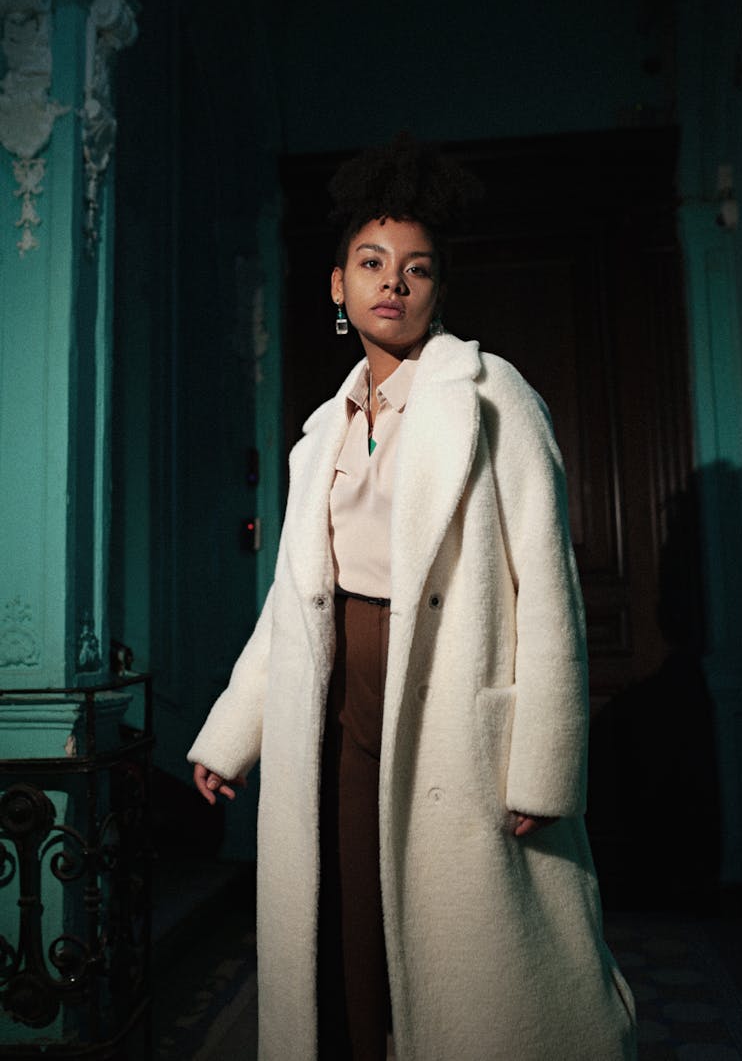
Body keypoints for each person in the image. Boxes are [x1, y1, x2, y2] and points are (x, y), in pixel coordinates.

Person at [189, 137, 637, 1061]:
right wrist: (234, 733)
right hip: (336, 707)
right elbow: (294, 602)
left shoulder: (493, 397)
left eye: (416, 268)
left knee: (471, 960)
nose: (392, 283)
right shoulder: (320, 434)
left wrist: (544, 764)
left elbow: (547, 589)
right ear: (336, 287)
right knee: (345, 929)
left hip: (448, 704)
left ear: (439, 289)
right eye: (370, 262)